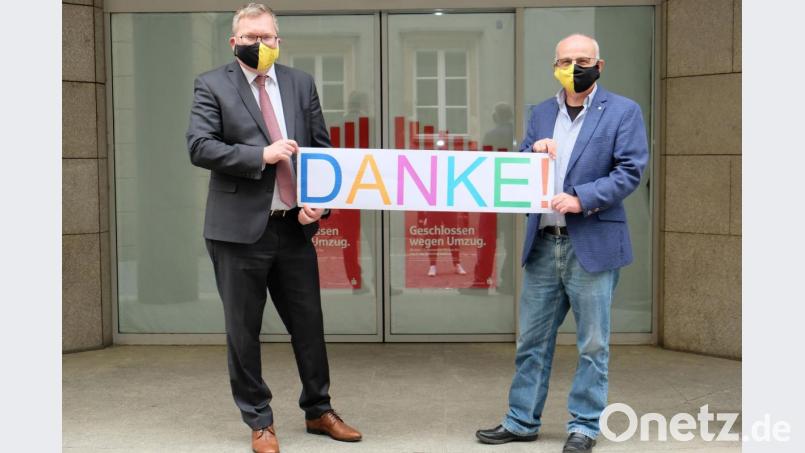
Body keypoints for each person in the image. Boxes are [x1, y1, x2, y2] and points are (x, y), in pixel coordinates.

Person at [185, 3, 361, 452]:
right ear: (234, 41)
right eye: (251, 38)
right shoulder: (212, 84)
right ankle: (259, 420)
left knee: (309, 325)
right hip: (237, 231)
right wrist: (259, 157)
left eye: (268, 37)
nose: (260, 45)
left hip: (292, 229)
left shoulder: (300, 84)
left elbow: (322, 153)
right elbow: (200, 146)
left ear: (279, 41)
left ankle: (319, 410)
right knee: (243, 332)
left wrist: (317, 208)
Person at [475, 34, 648, 453]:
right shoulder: (540, 112)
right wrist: (532, 149)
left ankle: (584, 426)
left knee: (592, 344)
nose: (574, 67)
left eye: (582, 60)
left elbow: (631, 170)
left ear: (599, 65)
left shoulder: (623, 111)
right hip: (543, 244)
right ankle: (521, 421)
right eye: (566, 60)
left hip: (592, 243)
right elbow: (517, 164)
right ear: (555, 64)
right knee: (531, 341)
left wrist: (581, 198)